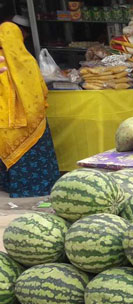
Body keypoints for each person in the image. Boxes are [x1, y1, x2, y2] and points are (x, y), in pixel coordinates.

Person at [0, 21, 60, 198]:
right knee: (35, 154)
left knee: (10, 153)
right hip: (33, 120)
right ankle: (39, 187)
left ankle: (14, 187)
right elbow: (42, 89)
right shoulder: (27, 61)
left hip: (5, 123)